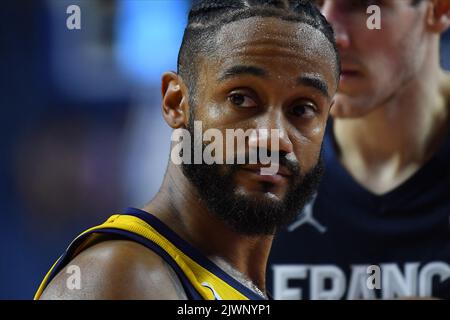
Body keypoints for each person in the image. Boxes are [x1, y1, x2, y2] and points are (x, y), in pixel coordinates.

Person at [35, 0, 340, 300]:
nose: (273, 138)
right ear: (175, 103)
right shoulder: (123, 277)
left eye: (302, 108)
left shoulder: (225, 282)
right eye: (241, 99)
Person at [269, 0, 450, 300]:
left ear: (439, 9)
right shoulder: (249, 162)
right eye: (310, 4)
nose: (322, 34)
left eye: (361, 6)